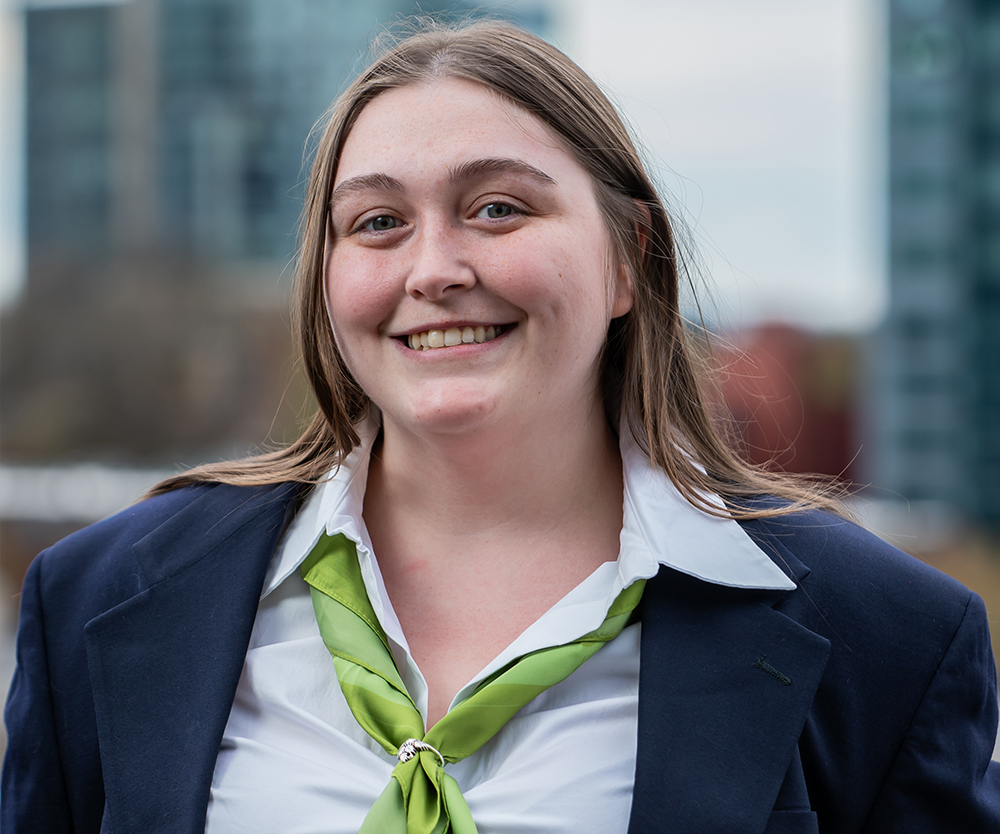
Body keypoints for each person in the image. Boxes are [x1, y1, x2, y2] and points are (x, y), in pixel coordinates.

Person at [3, 20, 999, 834]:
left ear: (625, 258)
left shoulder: (885, 640)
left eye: (495, 209)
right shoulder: (101, 601)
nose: (433, 268)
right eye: (378, 223)